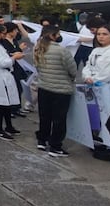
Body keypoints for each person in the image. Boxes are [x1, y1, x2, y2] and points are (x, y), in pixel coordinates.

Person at [33, 25, 77, 156]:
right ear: (53, 36)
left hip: (44, 87)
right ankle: (55, 146)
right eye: (58, 34)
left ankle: (42, 140)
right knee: (59, 119)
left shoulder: (38, 48)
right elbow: (73, 70)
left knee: (44, 116)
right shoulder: (62, 51)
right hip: (61, 89)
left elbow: (37, 67)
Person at [82, 25, 110, 157]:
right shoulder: (95, 51)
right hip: (95, 87)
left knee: (109, 114)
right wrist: (87, 77)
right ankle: (103, 141)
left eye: (105, 34)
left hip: (109, 87)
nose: (101, 36)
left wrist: (94, 79)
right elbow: (87, 66)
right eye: (99, 34)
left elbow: (109, 73)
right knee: (99, 115)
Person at [0, 22, 29, 118]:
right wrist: (17, 51)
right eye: (15, 30)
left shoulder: (14, 40)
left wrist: (20, 50)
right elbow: (9, 53)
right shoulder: (3, 42)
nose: (16, 32)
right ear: (10, 31)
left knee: (19, 88)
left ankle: (17, 108)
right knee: (10, 89)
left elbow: (16, 51)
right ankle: (10, 109)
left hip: (17, 66)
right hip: (9, 68)